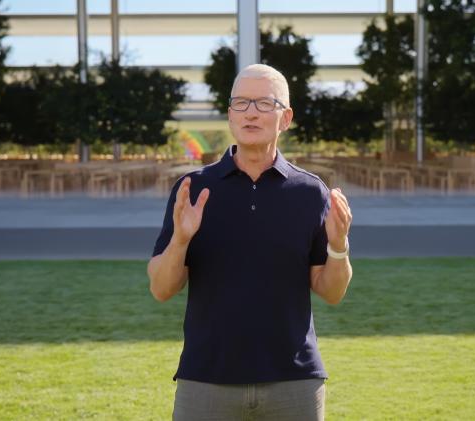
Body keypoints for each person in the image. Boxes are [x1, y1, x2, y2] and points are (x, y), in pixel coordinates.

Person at [147, 63, 353, 421]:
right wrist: (180, 240)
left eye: (263, 103)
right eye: (240, 103)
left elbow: (331, 292)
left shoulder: (310, 192)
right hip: (206, 379)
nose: (251, 112)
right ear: (229, 115)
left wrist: (339, 246)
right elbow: (162, 288)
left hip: (295, 382)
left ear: (285, 118)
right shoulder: (194, 189)